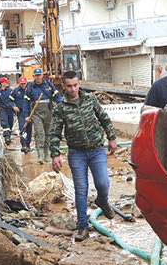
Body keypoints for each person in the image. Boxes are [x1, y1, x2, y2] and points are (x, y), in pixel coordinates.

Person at [50, 70, 117, 241]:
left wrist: (112, 138)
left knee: (103, 183)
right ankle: (82, 227)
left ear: (79, 84)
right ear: (64, 87)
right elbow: (55, 132)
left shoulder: (91, 100)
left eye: (75, 85)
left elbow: (104, 118)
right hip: (76, 153)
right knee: (81, 190)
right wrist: (55, 155)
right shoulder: (61, 108)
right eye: (69, 86)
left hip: (96, 150)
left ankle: (102, 201)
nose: (72, 89)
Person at [26, 67, 62, 163]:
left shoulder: (49, 85)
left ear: (42, 75)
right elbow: (25, 102)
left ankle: (47, 155)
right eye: (36, 76)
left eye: (39, 75)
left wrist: (60, 106)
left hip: (48, 112)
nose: (38, 77)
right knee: (39, 133)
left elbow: (57, 96)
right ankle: (40, 155)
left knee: (48, 133)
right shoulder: (30, 87)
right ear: (33, 76)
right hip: (36, 113)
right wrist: (27, 115)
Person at [11, 76, 32, 153]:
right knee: (22, 128)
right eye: (21, 84)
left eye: (24, 84)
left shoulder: (30, 90)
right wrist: (13, 106)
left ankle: (28, 144)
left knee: (29, 129)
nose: (23, 85)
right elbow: (10, 100)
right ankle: (24, 144)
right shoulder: (15, 91)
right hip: (21, 113)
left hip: (29, 112)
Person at [0, 77, 16, 145]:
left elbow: (15, 100)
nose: (8, 83)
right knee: (5, 123)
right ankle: (7, 137)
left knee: (10, 124)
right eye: (6, 82)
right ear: (2, 83)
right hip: (2, 110)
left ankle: (8, 135)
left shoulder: (10, 91)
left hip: (10, 110)